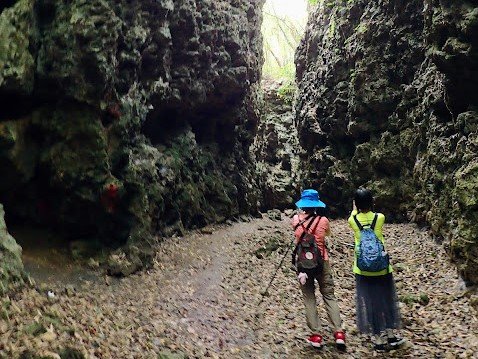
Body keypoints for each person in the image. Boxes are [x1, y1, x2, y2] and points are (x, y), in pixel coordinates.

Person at [347, 188, 405, 351]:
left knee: (371, 303)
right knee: (386, 300)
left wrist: (355, 208)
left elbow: (352, 216)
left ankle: (378, 340)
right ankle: (391, 336)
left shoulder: (353, 221)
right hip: (382, 268)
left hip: (362, 269)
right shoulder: (380, 218)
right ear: (372, 202)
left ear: (357, 204)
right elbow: (374, 214)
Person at [291, 189, 346, 350]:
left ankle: (316, 336)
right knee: (329, 295)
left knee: (309, 298)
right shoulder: (323, 220)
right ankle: (339, 333)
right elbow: (327, 234)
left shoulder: (295, 220)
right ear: (316, 204)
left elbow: (297, 234)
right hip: (322, 262)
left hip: (303, 265)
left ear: (303, 204)